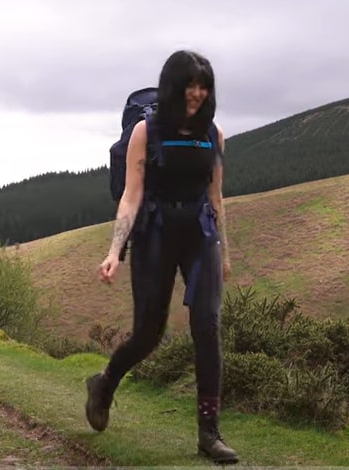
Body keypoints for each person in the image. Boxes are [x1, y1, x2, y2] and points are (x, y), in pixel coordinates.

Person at [84, 50, 238, 464]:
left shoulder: (213, 134)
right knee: (149, 333)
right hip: (154, 234)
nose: (197, 94)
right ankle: (104, 382)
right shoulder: (144, 132)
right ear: (173, 86)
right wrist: (115, 250)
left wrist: (223, 249)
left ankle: (209, 433)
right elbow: (131, 195)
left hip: (199, 234)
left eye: (204, 87)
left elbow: (215, 195)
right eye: (190, 85)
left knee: (207, 326)